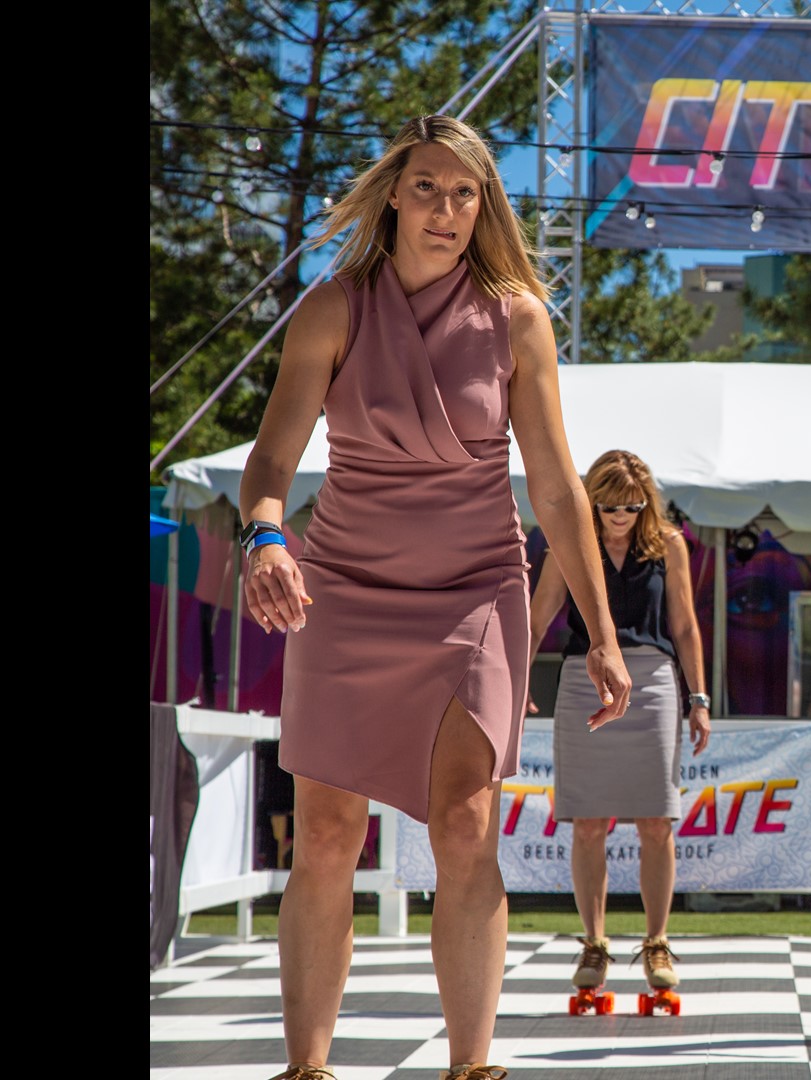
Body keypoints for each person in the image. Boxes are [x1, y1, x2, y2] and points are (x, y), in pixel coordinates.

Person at [239, 114, 632, 1080]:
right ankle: (308, 1068)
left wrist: (604, 634)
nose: (446, 210)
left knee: (465, 821)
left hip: (474, 591)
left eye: (466, 193)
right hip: (343, 588)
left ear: (483, 206)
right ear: (393, 196)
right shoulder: (332, 308)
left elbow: (555, 489)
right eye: (426, 188)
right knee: (328, 834)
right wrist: (263, 537)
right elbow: (273, 461)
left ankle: (470, 1066)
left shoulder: (517, 317)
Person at [527, 450, 712, 1004]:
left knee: (658, 820)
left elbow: (683, 624)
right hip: (585, 677)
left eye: (632, 507)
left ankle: (657, 942)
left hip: (653, 678)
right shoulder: (569, 540)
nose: (620, 517)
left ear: (645, 503)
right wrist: (514, 684)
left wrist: (698, 698)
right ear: (592, 500)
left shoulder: (669, 545)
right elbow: (539, 613)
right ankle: (594, 942)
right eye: (609, 507)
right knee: (587, 821)